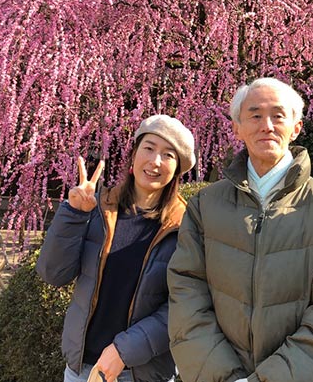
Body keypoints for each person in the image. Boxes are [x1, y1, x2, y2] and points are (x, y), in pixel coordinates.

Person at [167, 77, 313, 382]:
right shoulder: (205, 206)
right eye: (255, 115)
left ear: (296, 127)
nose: (267, 125)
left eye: (278, 115)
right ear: (237, 127)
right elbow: (186, 292)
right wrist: (223, 377)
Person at [36, 115, 196, 382]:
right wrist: (73, 214)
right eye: (149, 148)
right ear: (133, 155)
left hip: (141, 373)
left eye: (168, 155)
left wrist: (123, 351)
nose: (155, 161)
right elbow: (54, 274)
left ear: (177, 170)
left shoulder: (186, 228)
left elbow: (182, 307)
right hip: (82, 368)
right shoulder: (98, 209)